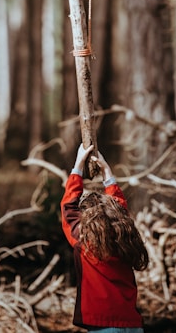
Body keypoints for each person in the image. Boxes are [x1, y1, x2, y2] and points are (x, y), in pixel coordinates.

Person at [61, 143, 149, 333]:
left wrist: (78, 166)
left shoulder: (85, 242)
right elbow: (120, 211)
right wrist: (107, 173)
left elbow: (68, 209)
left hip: (103, 326)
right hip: (133, 326)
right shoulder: (125, 238)